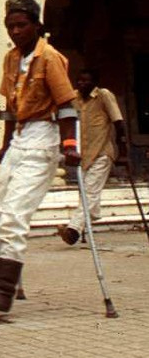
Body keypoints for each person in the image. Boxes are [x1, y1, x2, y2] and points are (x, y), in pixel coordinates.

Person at [0, 0, 80, 311]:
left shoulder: (50, 58)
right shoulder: (10, 59)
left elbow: (66, 106)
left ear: (37, 25)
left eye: (21, 25)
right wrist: (5, 147)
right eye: (10, 26)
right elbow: (10, 110)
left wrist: (70, 146)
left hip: (43, 137)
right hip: (20, 138)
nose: (15, 31)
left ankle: (4, 291)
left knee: (14, 214)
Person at [59, 69, 127, 245]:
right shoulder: (73, 98)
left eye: (86, 81)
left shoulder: (104, 95)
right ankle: (90, 217)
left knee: (89, 191)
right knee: (88, 194)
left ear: (95, 83)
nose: (82, 84)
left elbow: (118, 122)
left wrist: (123, 151)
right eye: (79, 81)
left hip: (102, 152)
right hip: (83, 153)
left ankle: (73, 230)